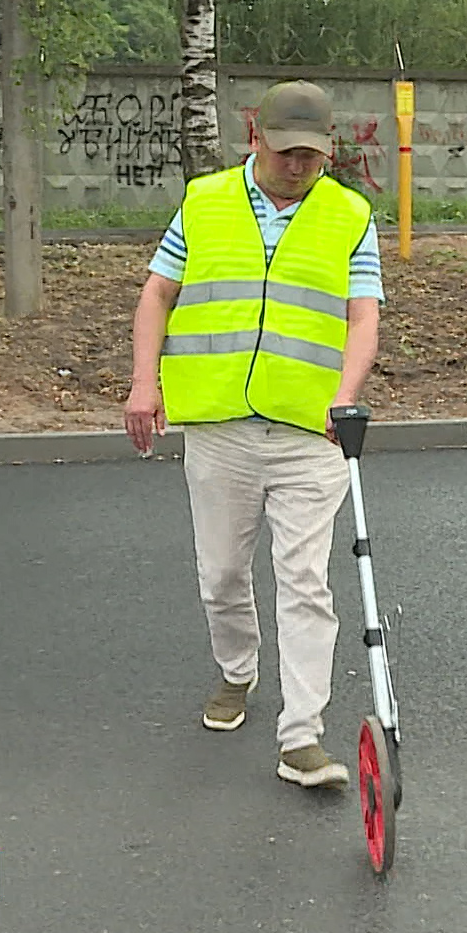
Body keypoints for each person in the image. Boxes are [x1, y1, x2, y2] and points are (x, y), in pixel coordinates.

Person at [123, 80, 382, 790]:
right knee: (223, 575)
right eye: (289, 151)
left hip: (312, 430)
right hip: (219, 426)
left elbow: (363, 315)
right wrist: (145, 384)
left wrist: (345, 395)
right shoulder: (204, 203)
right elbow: (158, 293)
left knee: (304, 581)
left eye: (315, 154)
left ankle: (302, 737)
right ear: (255, 138)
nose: (301, 166)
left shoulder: (350, 215)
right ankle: (238, 672)